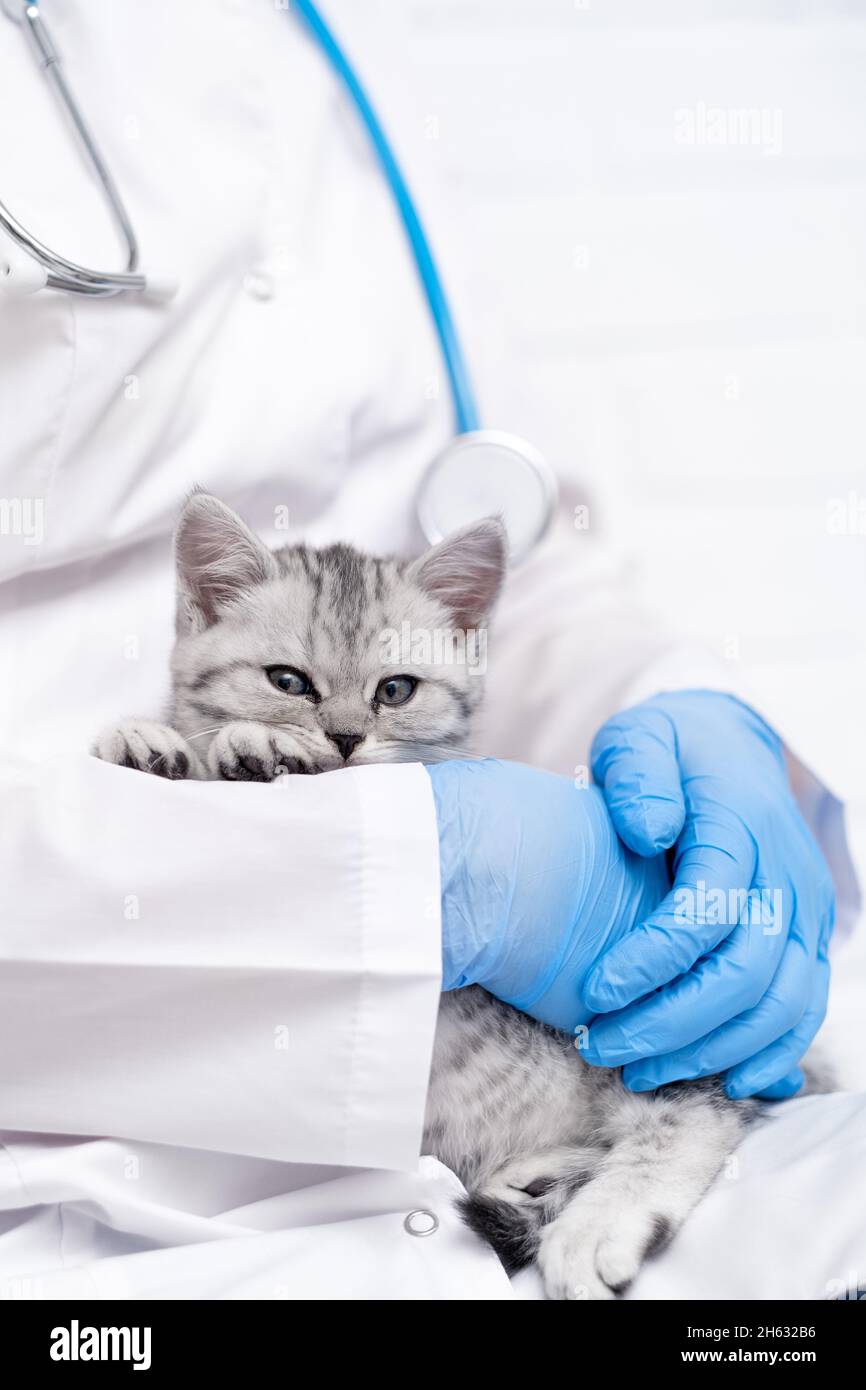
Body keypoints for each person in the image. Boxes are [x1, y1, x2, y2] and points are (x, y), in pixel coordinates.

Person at [0, 0, 860, 1300]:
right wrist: (425, 875)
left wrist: (680, 719)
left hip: (486, 1167)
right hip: (107, 1194)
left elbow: (486, 524)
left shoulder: (337, 41)